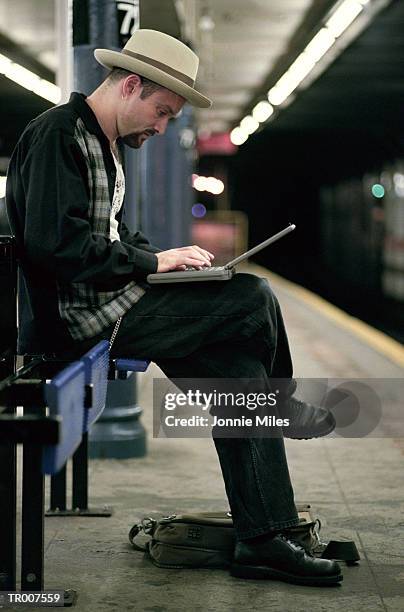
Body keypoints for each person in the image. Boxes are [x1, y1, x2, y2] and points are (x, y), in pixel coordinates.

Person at [6, 29, 341, 586]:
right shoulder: (59, 137)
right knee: (251, 297)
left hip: (112, 305)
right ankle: (286, 408)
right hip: (80, 320)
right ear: (131, 85)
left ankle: (265, 538)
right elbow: (54, 246)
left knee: (239, 376)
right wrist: (152, 263)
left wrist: (162, 259)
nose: (162, 128)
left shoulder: (102, 143)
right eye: (161, 113)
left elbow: (111, 234)